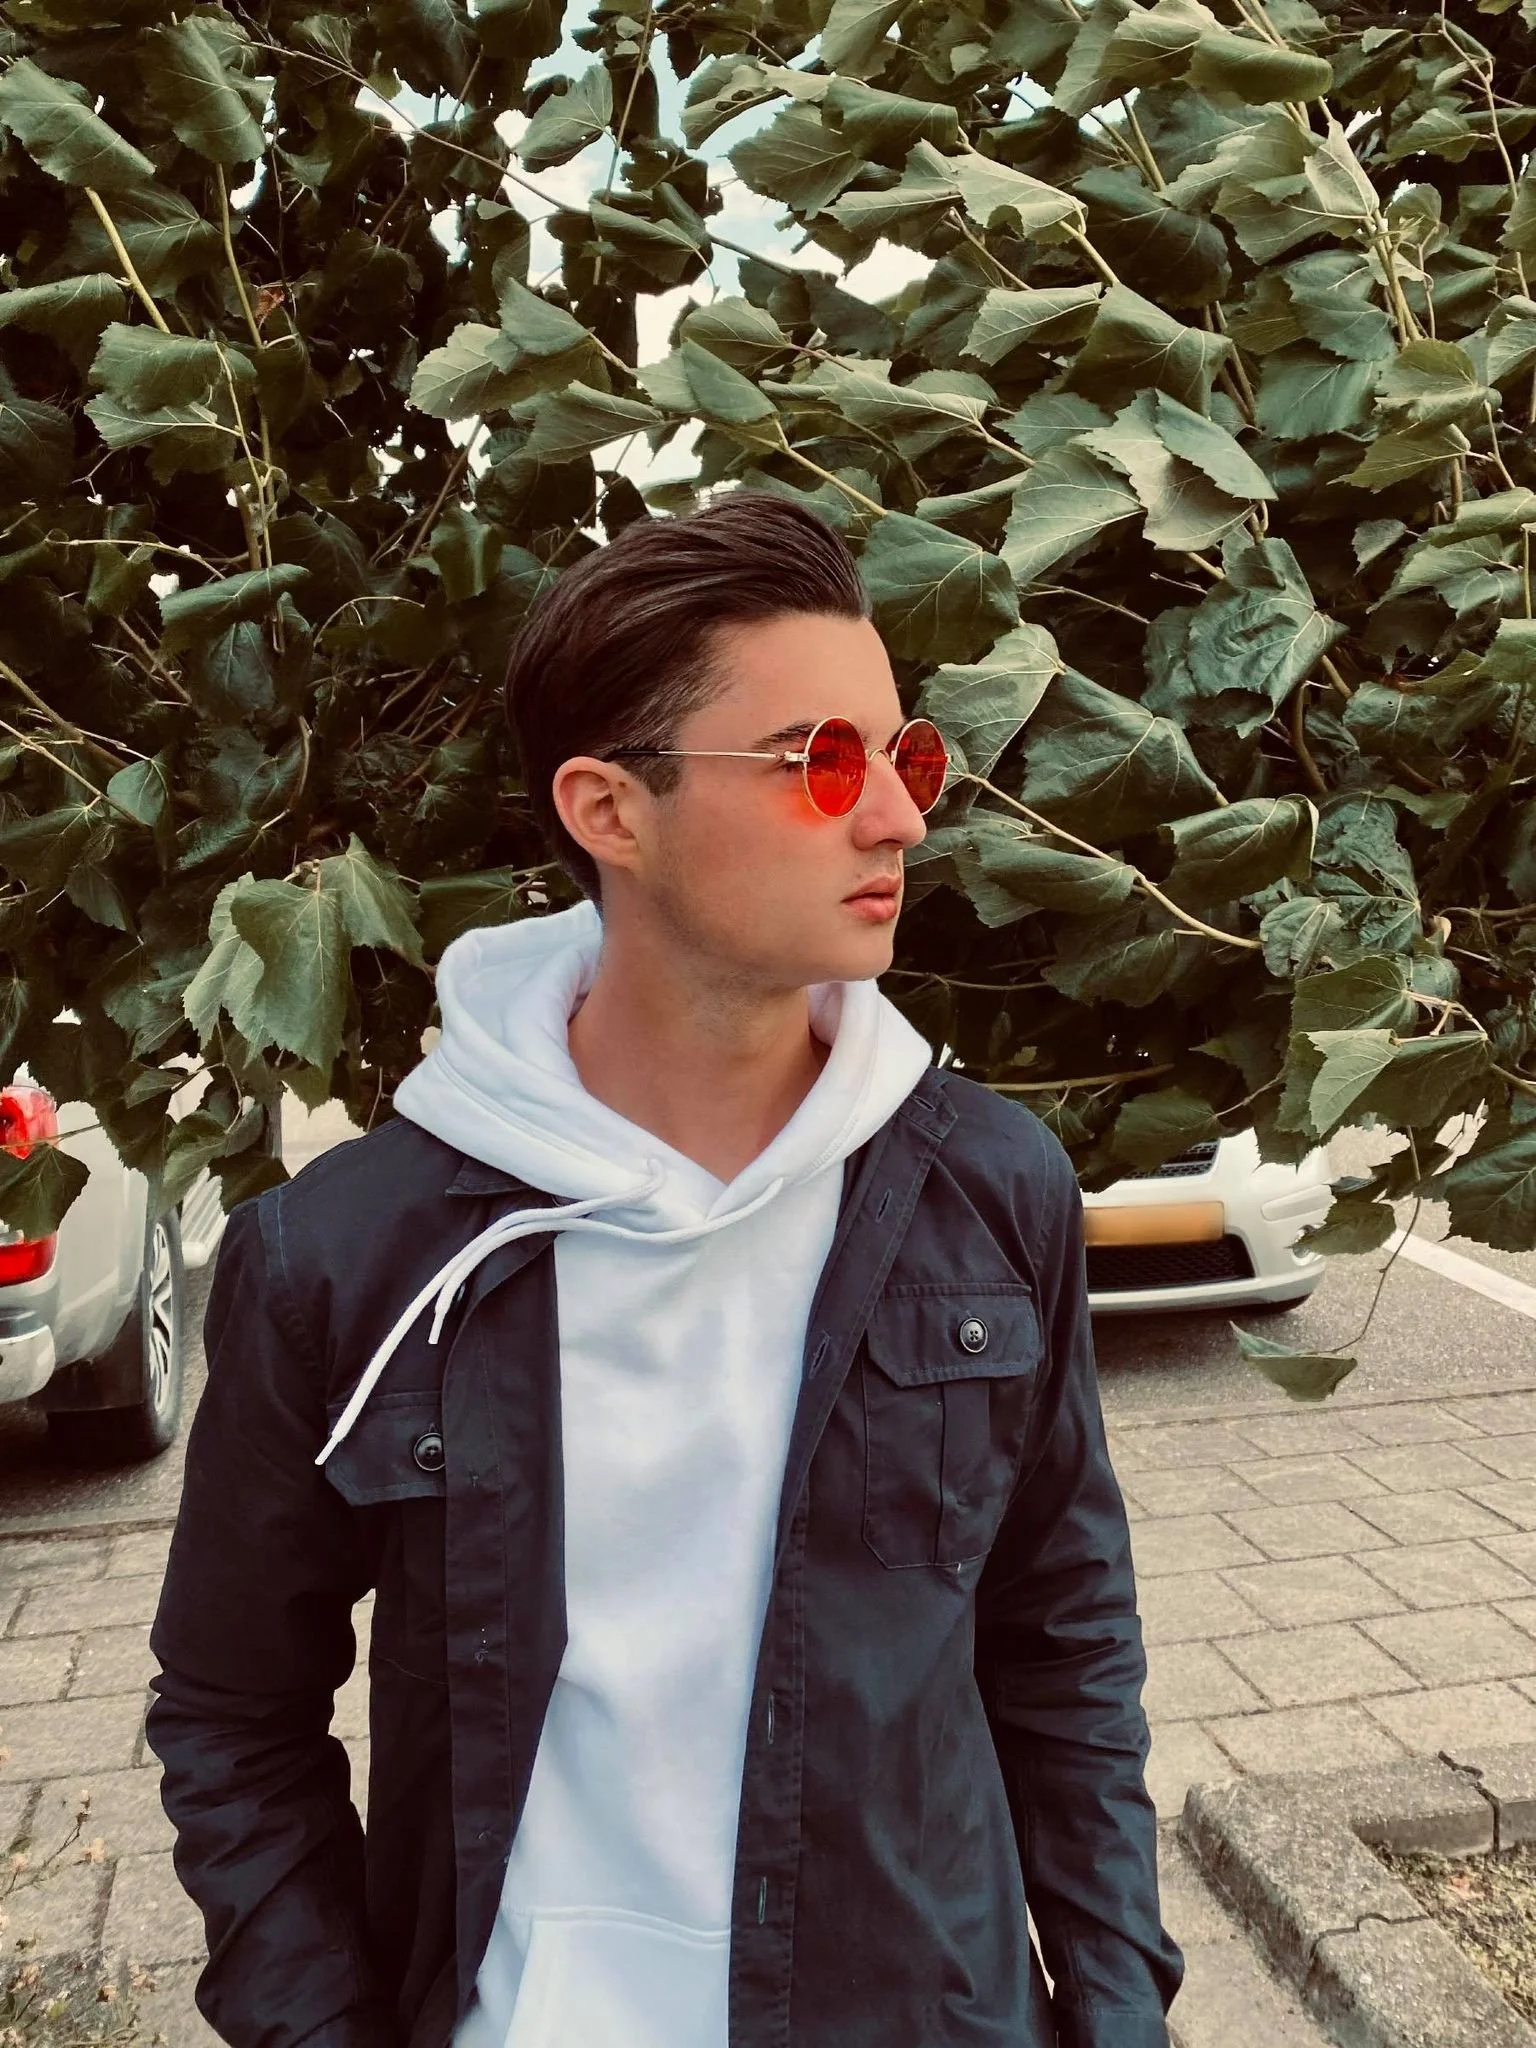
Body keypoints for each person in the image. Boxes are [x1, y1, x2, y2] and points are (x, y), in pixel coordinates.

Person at [148, 493, 1182, 2048]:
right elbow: (234, 1712)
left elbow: (1063, 1643)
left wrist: (1116, 2012)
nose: (897, 820)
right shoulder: (355, 1257)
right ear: (609, 810)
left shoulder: (987, 1191)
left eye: (904, 759)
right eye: (819, 762)